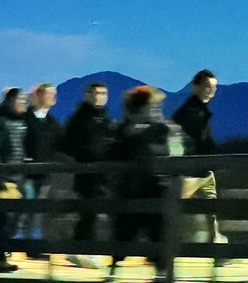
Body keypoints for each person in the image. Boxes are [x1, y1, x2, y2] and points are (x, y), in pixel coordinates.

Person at [106, 86, 178, 273]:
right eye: (153, 105)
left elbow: (179, 152)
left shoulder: (163, 129)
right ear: (140, 107)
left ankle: (163, 278)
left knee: (159, 239)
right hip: (130, 193)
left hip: (157, 192)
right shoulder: (123, 129)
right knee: (123, 239)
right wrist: (131, 132)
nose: (157, 109)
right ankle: (111, 278)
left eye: (158, 106)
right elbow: (111, 154)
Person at [60, 81, 115, 264]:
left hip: (104, 174)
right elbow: (68, 145)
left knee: (94, 211)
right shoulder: (78, 119)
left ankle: (83, 248)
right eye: (97, 93)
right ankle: (84, 249)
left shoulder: (106, 119)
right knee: (89, 210)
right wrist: (84, 156)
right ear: (88, 95)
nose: (100, 97)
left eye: (104, 93)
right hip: (86, 173)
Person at [170, 70, 223, 244]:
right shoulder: (188, 113)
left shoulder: (199, 111)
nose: (211, 91)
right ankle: (170, 245)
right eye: (207, 86)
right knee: (179, 208)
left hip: (203, 170)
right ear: (196, 87)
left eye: (214, 87)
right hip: (191, 171)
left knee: (211, 208)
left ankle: (214, 241)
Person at [0, 88, 30, 271]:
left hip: (17, 176)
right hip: (4, 178)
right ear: (10, 102)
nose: (24, 103)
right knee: (4, 219)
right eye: (20, 100)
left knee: (12, 219)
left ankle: (2, 255)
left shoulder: (20, 121)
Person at [22, 83, 62, 255]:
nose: (52, 97)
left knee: (42, 209)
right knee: (29, 209)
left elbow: (60, 147)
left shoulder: (53, 123)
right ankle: (27, 245)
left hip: (45, 173)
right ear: (38, 95)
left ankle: (37, 245)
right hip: (27, 173)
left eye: (54, 94)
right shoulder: (25, 120)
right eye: (48, 93)